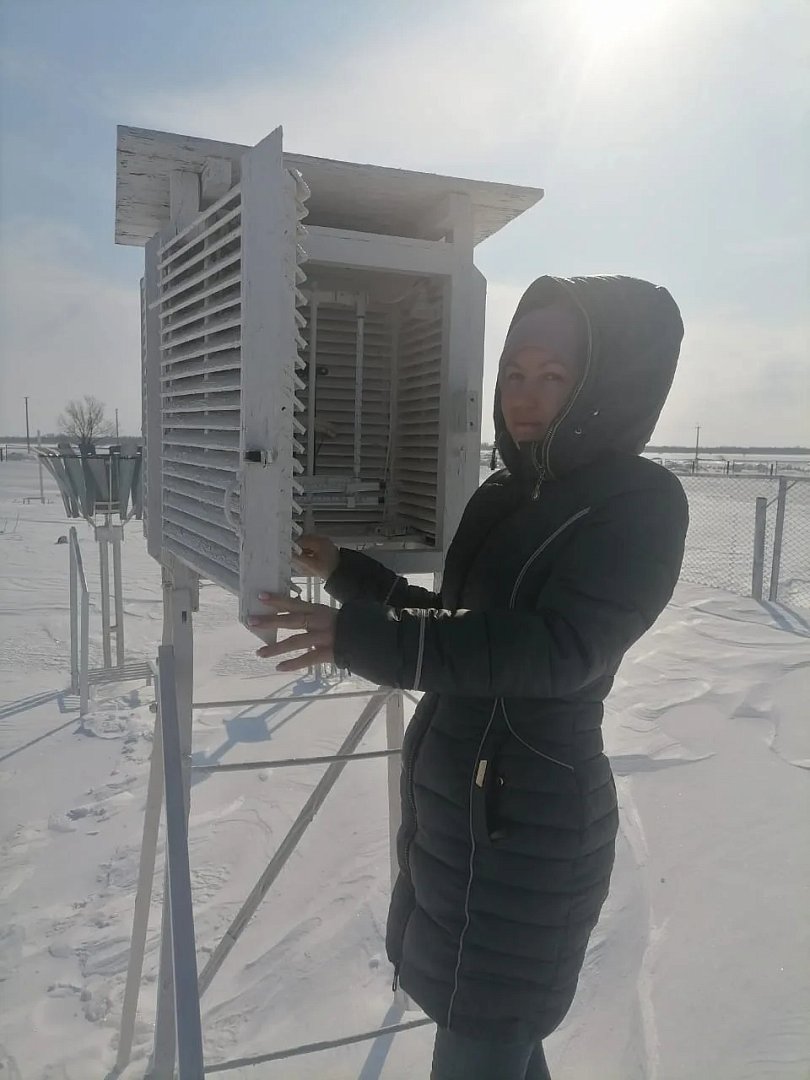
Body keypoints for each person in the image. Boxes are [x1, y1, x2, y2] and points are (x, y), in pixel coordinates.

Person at [250, 275, 689, 1079]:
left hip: (528, 833)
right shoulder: (506, 495)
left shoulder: (640, 503)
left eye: (554, 375)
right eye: (514, 372)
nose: (525, 395)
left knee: (486, 1035)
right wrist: (349, 573)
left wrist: (371, 641)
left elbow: (561, 648)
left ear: (603, 383)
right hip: (464, 817)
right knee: (498, 1039)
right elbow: (459, 620)